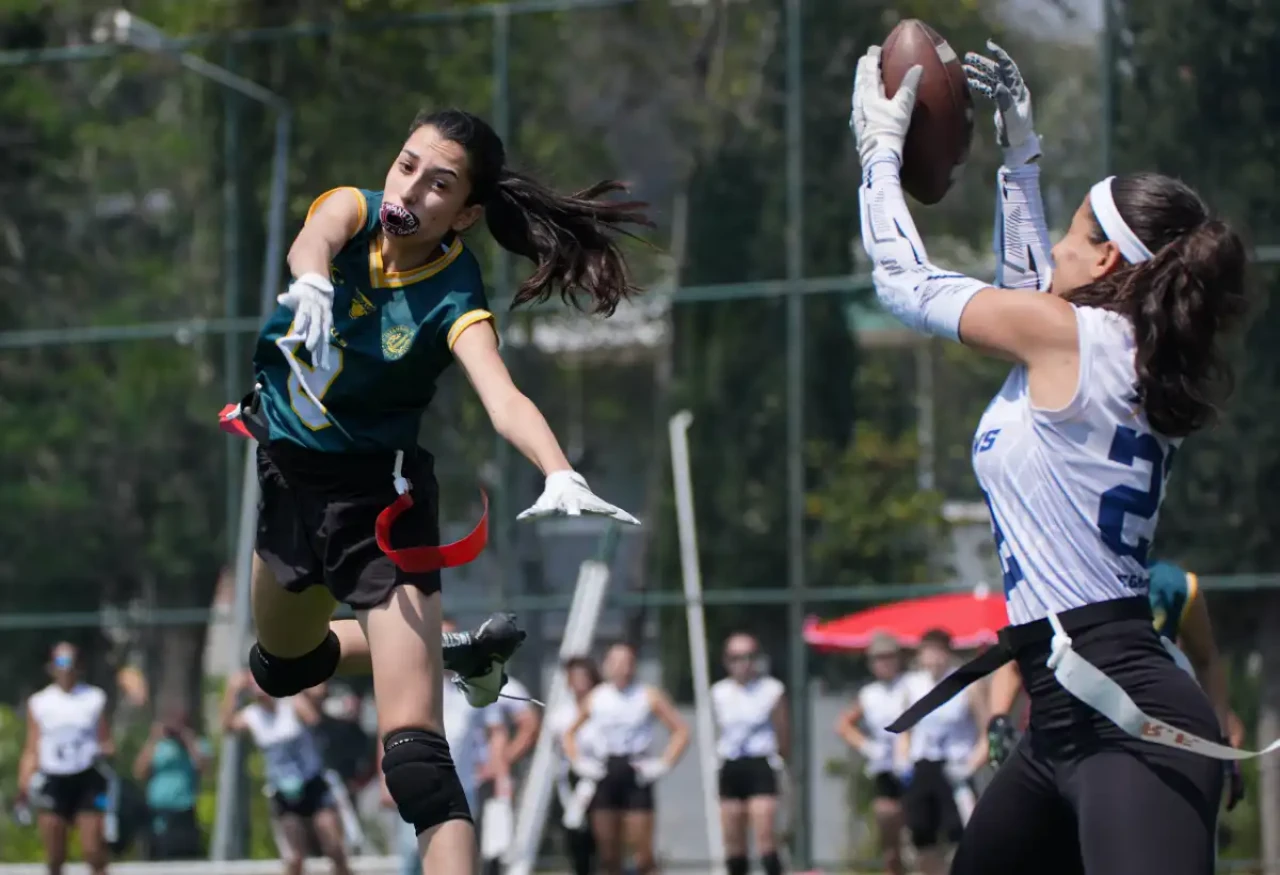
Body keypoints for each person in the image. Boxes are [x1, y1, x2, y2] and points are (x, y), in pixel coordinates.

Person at [850, 36, 1249, 875]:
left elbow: (903, 280)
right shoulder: (1121, 347)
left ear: (1107, 260)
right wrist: (1018, 159)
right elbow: (1036, 288)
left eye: (1074, 230)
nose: (1058, 247)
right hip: (1064, 707)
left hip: (1122, 709)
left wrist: (878, 159)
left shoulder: (1077, 338)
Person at [231, 106, 646, 875]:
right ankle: (448, 649)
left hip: (381, 507)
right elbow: (313, 235)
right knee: (279, 667)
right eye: (407, 165)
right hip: (290, 480)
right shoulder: (352, 209)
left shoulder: (455, 291)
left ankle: (425, 662)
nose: (412, 188)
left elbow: (503, 396)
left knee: (417, 762)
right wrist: (314, 279)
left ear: (468, 212)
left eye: (440, 184)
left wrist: (559, 469)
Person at [986, 560, 1247, 811]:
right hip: (1065, 737)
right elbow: (1013, 664)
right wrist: (997, 721)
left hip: (1150, 738)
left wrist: (1223, 739)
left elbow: (1207, 660)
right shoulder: (1057, 579)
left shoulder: (1173, 585)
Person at [563, 642, 690, 875]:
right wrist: (580, 762)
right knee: (609, 855)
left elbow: (681, 731)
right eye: (615, 663)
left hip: (637, 772)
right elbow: (569, 733)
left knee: (643, 854)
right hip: (606, 772)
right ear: (606, 666)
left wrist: (663, 764)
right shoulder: (596, 697)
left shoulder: (648, 695)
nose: (621, 669)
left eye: (627, 662)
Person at [379, 647, 508, 875]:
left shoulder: (470, 690)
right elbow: (387, 733)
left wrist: (497, 771)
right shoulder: (411, 684)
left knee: (457, 858)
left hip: (463, 787)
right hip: (415, 783)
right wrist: (383, 780)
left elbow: (496, 732)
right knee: (411, 858)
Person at [220, 671, 352, 875]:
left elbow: (314, 718)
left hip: (312, 783)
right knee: (294, 858)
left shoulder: (291, 704)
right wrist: (231, 690)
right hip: (283, 790)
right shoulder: (253, 716)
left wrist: (305, 688)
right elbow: (228, 726)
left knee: (334, 848)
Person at [19, 642, 115, 875]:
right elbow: (32, 746)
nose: (66, 668)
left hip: (86, 777)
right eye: (60, 662)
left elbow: (106, 739)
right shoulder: (40, 702)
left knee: (93, 850)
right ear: (51, 667)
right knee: (55, 854)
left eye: (70, 662)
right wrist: (24, 783)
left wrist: (105, 751)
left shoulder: (93, 698)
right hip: (54, 778)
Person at [896, 630, 986, 875]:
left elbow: (987, 731)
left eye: (939, 650)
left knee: (961, 833)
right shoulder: (912, 685)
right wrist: (903, 760)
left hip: (955, 768)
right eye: (928, 650)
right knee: (922, 834)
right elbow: (905, 730)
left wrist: (971, 765)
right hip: (923, 765)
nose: (933, 657)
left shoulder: (965, 683)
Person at [710, 633, 788, 875]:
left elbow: (783, 731)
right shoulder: (719, 692)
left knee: (764, 834)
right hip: (732, 763)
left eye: (749, 657)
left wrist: (783, 761)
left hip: (760, 763)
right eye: (736, 658)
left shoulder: (771, 689)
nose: (743, 664)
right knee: (733, 840)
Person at [835, 633, 911, 875]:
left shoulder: (911, 685)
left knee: (920, 836)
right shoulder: (870, 694)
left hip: (913, 765)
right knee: (888, 832)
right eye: (879, 658)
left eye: (889, 657)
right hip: (885, 768)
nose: (885, 663)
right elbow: (843, 725)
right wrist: (867, 746)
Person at [546, 656, 603, 875]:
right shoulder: (561, 714)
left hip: (602, 776)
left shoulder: (604, 705)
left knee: (603, 839)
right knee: (577, 835)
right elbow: (561, 742)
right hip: (574, 779)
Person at [133, 706, 210, 861]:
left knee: (184, 860)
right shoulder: (157, 746)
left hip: (184, 812)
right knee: (156, 858)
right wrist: (153, 739)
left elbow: (204, 770)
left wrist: (188, 741)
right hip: (157, 813)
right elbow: (139, 772)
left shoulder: (197, 744)